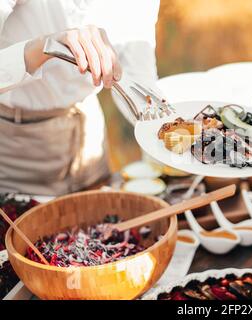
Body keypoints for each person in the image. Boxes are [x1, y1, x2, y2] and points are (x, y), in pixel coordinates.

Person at [0, 0, 160, 195]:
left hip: (90, 139)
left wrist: (168, 127)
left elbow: (136, 76)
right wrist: (44, 47)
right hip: (19, 149)